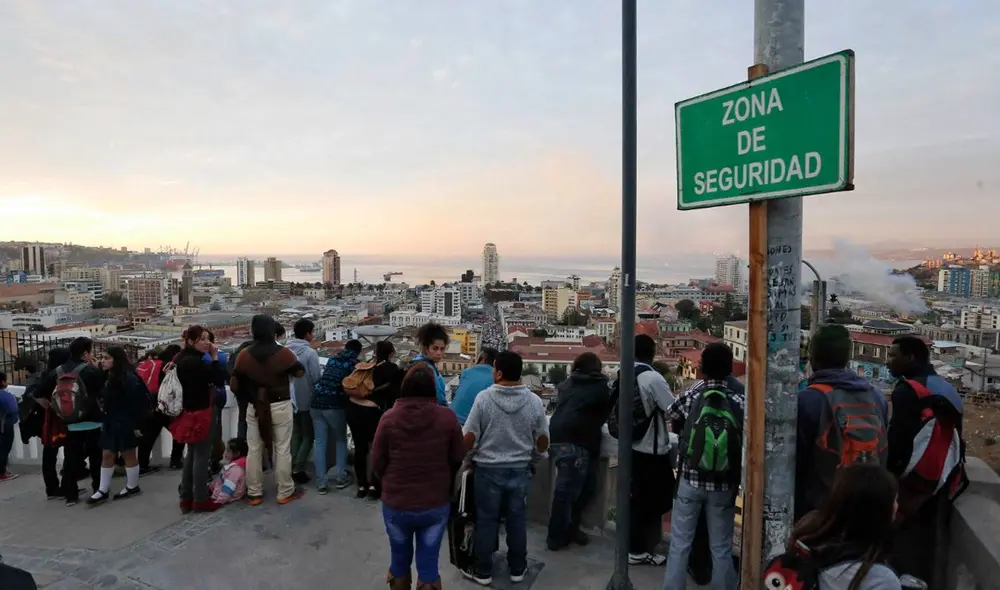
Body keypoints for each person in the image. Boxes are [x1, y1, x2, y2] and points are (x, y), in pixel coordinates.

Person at [372, 364, 466, 590]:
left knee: (399, 560)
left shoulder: (389, 418)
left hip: (397, 503)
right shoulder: (447, 418)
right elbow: (457, 457)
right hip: (434, 502)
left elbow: (377, 462)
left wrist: (389, 483)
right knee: (429, 563)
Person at [462, 351, 549, 586]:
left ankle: (483, 571)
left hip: (488, 470)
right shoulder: (534, 401)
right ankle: (517, 569)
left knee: (486, 521)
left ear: (498, 372)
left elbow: (469, 438)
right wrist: (531, 464)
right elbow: (542, 441)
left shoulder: (483, 399)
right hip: (519, 470)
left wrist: (470, 459)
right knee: (516, 521)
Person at [662, 343, 744, 590]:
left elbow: (670, 412)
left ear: (702, 369)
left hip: (690, 478)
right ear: (729, 369)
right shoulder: (739, 399)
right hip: (724, 483)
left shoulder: (693, 393)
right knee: (720, 546)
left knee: (680, 543)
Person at [886, 336, 963, 587]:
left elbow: (899, 442)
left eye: (893, 355)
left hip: (910, 485)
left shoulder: (907, 391)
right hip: (941, 480)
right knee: (926, 546)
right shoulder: (947, 388)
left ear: (911, 358)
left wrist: (890, 478)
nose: (888, 361)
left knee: (901, 546)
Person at [795, 325, 888, 522]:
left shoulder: (807, 400)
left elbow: (797, 464)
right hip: (867, 510)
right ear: (848, 358)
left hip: (819, 511)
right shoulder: (877, 397)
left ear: (813, 357)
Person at [784, 463, 901, 590]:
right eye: (895, 500)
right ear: (880, 512)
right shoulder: (880, 579)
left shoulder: (805, 552)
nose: (897, 506)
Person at [231, 315, 306, 506]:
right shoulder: (284, 354)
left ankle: (255, 493)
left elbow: (234, 383)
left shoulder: (244, 355)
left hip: (255, 405)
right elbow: (299, 372)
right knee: (282, 449)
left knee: (254, 449)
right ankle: (284, 491)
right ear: (273, 331)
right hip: (280, 404)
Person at [546, 352, 611, 550]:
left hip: (558, 437)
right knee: (568, 492)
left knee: (585, 487)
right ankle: (556, 537)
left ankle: (570, 528)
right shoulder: (600, 388)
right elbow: (605, 415)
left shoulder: (567, 384)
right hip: (578, 441)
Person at [620, 334, 675, 566]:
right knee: (657, 500)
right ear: (652, 352)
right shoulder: (652, 378)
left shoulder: (625, 373)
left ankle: (634, 546)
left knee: (638, 499)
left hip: (631, 445)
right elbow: (673, 409)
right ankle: (638, 549)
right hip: (652, 448)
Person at [32, 337, 106, 506]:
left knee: (71, 457)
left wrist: (55, 408)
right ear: (86, 353)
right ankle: (98, 490)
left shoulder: (57, 371)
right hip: (93, 421)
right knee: (96, 457)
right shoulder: (91, 371)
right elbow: (104, 393)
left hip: (69, 422)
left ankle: (70, 495)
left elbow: (38, 393)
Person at [174, 326, 228, 513]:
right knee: (202, 456)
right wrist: (214, 358)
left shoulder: (180, 358)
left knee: (192, 454)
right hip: (201, 411)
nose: (207, 342)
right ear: (191, 341)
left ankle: (186, 497)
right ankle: (200, 498)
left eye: (208, 338)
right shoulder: (195, 362)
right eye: (202, 339)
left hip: (187, 412)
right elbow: (218, 379)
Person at [87, 347, 149, 505]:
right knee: (107, 454)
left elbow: (139, 402)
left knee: (128, 454)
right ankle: (103, 489)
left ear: (116, 360)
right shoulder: (109, 376)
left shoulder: (128, 378)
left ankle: (132, 486)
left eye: (107, 358)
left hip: (125, 422)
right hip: (111, 421)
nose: (103, 360)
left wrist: (136, 425)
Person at [346, 340, 400, 500]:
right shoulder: (391, 369)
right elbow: (394, 394)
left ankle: (361, 485)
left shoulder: (366, 365)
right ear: (391, 354)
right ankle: (374, 485)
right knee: (376, 448)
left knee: (359, 448)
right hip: (371, 411)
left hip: (353, 408)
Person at [311, 339, 361, 493]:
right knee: (340, 440)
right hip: (334, 404)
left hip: (316, 402)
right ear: (358, 352)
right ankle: (341, 477)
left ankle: (321, 482)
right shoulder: (354, 364)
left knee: (319, 442)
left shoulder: (332, 360)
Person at [137, 345, 184, 473]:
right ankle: (175, 460)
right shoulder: (167, 366)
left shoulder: (146, 364)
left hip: (147, 406)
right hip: (163, 406)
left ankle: (143, 464)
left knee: (148, 437)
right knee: (178, 433)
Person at [287, 319, 322, 485]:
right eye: (312, 332)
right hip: (307, 398)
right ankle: (298, 469)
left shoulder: (286, 351)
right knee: (308, 435)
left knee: (296, 435)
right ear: (308, 333)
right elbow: (316, 377)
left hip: (290, 400)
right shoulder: (310, 353)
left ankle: (291, 465)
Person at [451, 347, 499, 426]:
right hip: (471, 426)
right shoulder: (496, 378)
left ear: (483, 359)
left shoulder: (467, 372)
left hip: (452, 418)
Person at [412, 323, 449, 406]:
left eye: (442, 349)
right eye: (435, 348)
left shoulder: (417, 362)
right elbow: (439, 399)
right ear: (426, 348)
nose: (439, 353)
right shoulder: (426, 369)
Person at [209, 438, 249, 506]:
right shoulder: (233, 465)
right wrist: (211, 487)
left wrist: (218, 502)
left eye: (228, 451)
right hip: (219, 492)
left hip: (225, 497)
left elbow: (228, 489)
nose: (225, 453)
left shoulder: (235, 470)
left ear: (237, 454)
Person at [0, 371, 18, 482]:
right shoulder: (6, 396)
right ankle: (2, 473)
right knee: (4, 449)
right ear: (2, 382)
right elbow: (13, 410)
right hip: (4, 425)